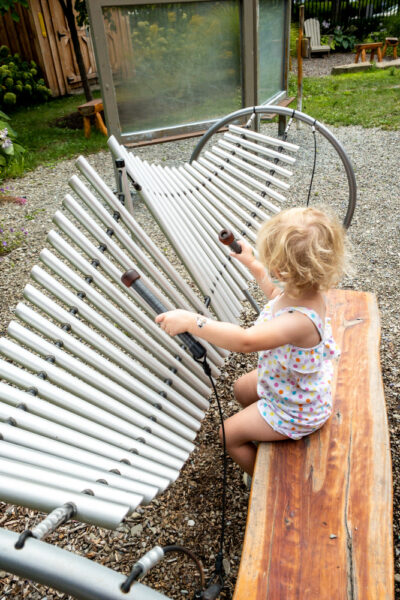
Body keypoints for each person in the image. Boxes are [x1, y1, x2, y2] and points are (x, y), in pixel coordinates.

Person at [155, 207, 352, 476]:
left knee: (227, 434)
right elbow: (275, 295)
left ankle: (266, 480)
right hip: (289, 383)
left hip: (298, 409)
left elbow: (245, 340)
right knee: (241, 388)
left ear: (282, 270)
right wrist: (253, 265)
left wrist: (193, 322)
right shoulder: (304, 290)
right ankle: (264, 429)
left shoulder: (299, 322)